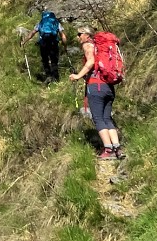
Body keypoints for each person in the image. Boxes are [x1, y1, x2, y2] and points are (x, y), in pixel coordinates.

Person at [70, 25, 123, 159]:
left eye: (79, 34)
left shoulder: (88, 46)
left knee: (98, 118)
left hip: (96, 87)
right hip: (109, 87)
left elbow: (90, 62)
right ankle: (117, 148)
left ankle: (108, 150)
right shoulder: (100, 47)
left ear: (87, 35)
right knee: (107, 118)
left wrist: (78, 76)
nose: (78, 37)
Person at [22, 10, 65, 83]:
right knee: (54, 61)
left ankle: (48, 76)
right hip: (53, 44)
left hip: (43, 44)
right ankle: (55, 78)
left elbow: (32, 33)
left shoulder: (40, 23)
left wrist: (24, 42)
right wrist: (65, 46)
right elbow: (63, 36)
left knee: (45, 60)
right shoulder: (56, 23)